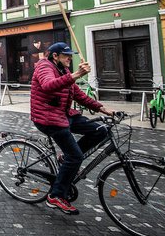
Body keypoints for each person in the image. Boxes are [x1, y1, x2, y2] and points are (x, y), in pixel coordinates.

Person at [31, 42, 115, 216]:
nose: (70, 58)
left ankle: (65, 159)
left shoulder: (64, 70)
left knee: (100, 130)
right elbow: (48, 85)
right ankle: (56, 196)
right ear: (55, 56)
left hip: (64, 115)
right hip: (48, 119)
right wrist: (77, 74)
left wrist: (101, 108)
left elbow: (77, 94)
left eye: (70, 55)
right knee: (76, 156)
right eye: (66, 55)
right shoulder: (44, 67)